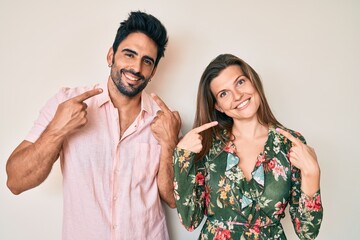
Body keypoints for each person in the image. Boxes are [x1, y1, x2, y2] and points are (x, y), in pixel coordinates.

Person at [6, 11, 181, 240]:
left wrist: (169, 144)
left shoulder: (163, 119)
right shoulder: (67, 103)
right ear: (111, 56)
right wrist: (58, 129)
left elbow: (173, 199)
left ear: (153, 71)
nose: (136, 68)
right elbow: (15, 182)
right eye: (129, 55)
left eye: (147, 61)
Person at [173, 54, 323, 239]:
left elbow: (307, 232)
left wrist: (312, 173)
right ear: (219, 106)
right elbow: (190, 221)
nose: (237, 95)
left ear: (253, 82)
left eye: (240, 82)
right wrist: (181, 157)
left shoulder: (289, 143)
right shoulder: (207, 144)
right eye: (224, 93)